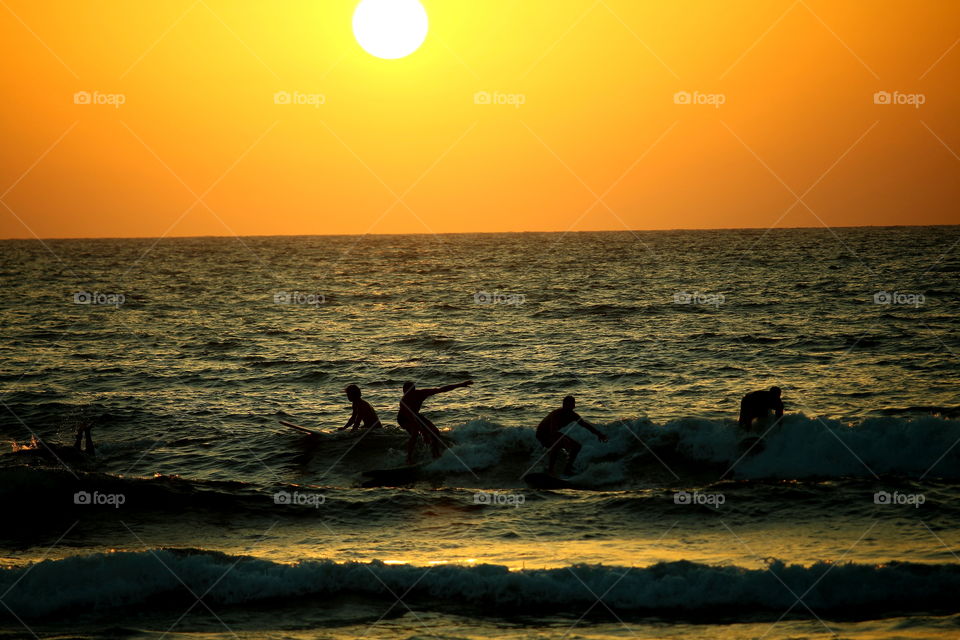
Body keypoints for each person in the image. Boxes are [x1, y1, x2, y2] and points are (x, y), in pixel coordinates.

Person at [397, 380, 472, 464]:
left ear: (413, 391)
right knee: (415, 433)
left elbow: (442, 389)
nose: (406, 394)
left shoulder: (421, 394)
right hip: (404, 418)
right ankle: (408, 458)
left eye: (408, 391)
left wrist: (460, 384)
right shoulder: (403, 401)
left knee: (435, 432)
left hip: (416, 416)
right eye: (405, 391)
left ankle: (435, 454)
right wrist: (424, 433)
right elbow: (412, 420)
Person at [536, 395, 607, 476]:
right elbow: (553, 431)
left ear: (573, 406)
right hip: (542, 434)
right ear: (563, 405)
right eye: (565, 405)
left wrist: (599, 434)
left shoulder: (573, 415)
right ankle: (550, 470)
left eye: (570, 405)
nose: (567, 407)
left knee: (577, 446)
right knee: (558, 443)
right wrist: (563, 439)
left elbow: (585, 425)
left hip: (554, 434)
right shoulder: (557, 414)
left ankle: (567, 470)